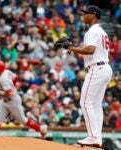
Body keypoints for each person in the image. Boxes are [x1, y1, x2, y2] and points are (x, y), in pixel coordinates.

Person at [55, 5, 112, 147]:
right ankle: (97, 137)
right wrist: (74, 47)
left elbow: (90, 50)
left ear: (93, 15)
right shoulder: (101, 31)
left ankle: (93, 137)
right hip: (105, 67)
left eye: (86, 13)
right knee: (96, 104)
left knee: (85, 103)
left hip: (97, 69)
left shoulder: (92, 31)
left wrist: (70, 48)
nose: (83, 16)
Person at [0, 60, 47, 138]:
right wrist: (13, 86)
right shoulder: (6, 71)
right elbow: (15, 77)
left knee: (22, 120)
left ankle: (41, 129)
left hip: (13, 100)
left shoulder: (3, 79)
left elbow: (9, 93)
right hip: (5, 100)